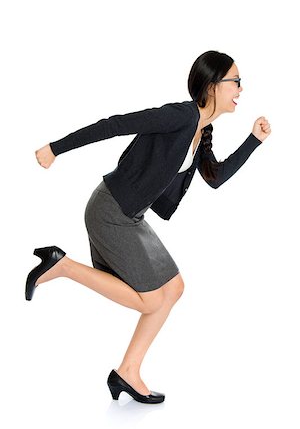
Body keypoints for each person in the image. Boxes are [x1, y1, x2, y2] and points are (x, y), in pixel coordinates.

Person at [25, 50, 271, 404]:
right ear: (214, 85)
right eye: (236, 81)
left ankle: (127, 371)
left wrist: (254, 141)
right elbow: (116, 124)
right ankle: (62, 266)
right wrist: (55, 149)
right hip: (110, 210)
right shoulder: (179, 116)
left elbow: (214, 178)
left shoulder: (202, 130)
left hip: (131, 214)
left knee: (173, 288)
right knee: (151, 300)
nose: (241, 89)